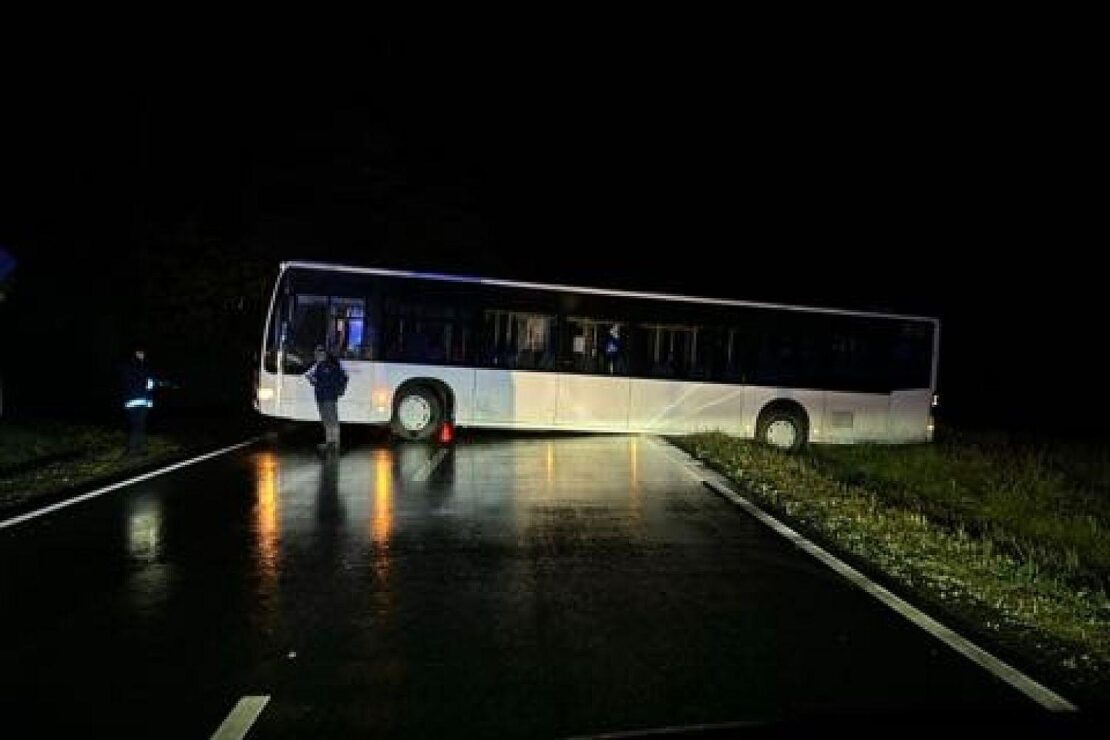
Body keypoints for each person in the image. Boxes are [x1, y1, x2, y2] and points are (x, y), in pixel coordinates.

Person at [119, 345, 162, 456]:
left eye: (142, 353)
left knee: (136, 425)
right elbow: (150, 384)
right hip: (140, 401)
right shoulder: (144, 368)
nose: (142, 355)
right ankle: (135, 449)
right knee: (138, 425)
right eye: (140, 353)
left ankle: (137, 448)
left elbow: (125, 383)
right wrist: (155, 384)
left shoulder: (127, 367)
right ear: (137, 354)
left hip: (133, 401)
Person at [306, 345, 348, 455]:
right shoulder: (320, 366)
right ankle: (330, 443)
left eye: (318, 353)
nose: (316, 356)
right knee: (326, 421)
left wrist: (314, 380)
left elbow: (326, 382)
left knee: (332, 421)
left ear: (323, 354)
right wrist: (312, 379)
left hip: (328, 397)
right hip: (321, 397)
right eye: (315, 354)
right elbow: (318, 382)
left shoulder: (329, 366)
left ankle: (335, 444)